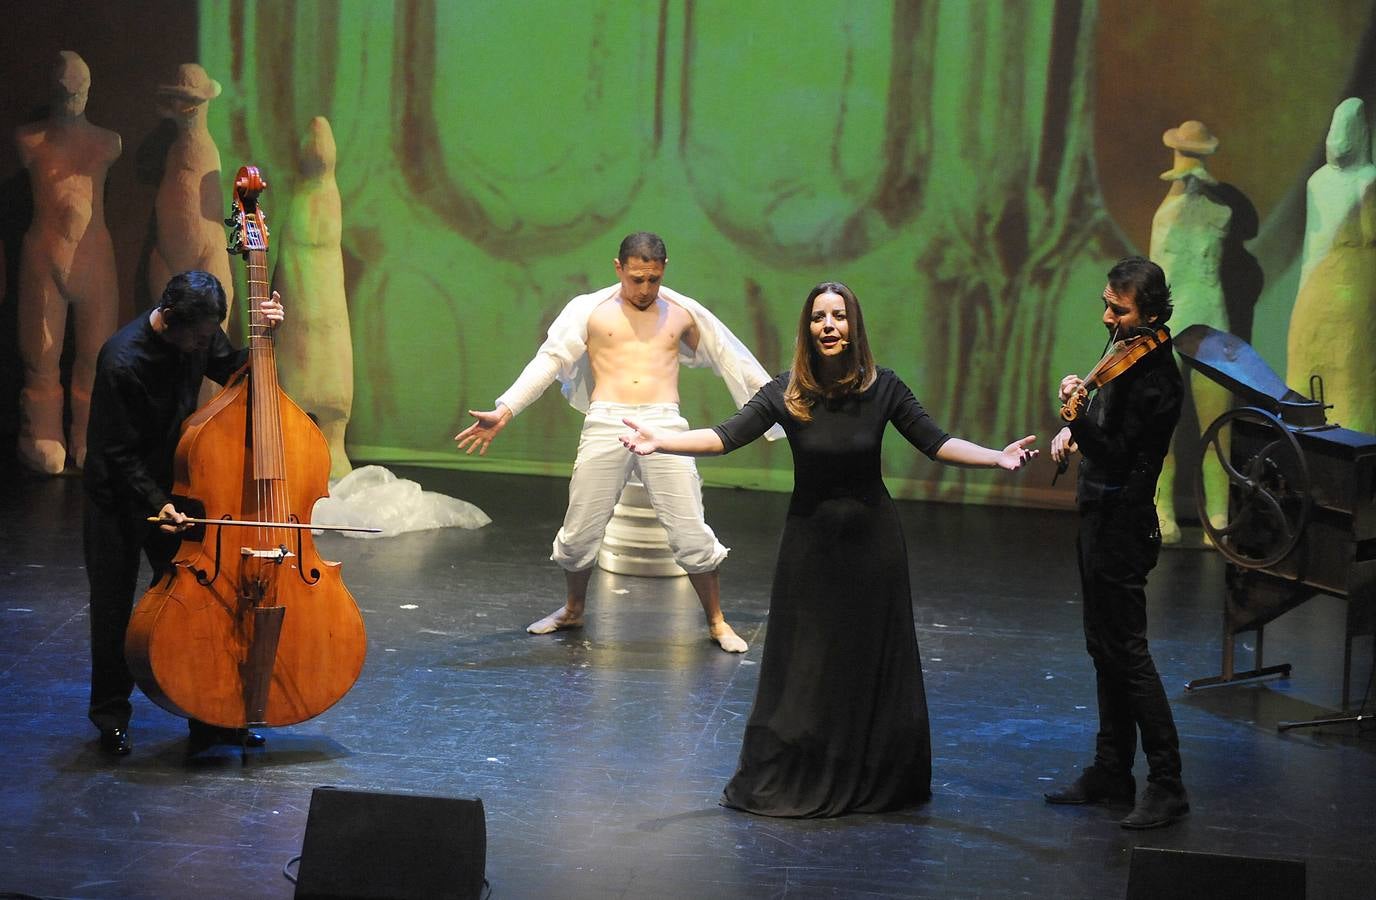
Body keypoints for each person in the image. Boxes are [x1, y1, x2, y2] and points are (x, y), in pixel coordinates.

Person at [619, 281, 1036, 817]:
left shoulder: (884, 387)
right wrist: (662, 441)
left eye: (839, 316)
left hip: (873, 544)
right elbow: (725, 436)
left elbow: (935, 442)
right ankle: (808, 765)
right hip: (810, 545)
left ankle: (872, 770)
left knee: (866, 658)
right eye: (819, 317)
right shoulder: (786, 392)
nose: (830, 325)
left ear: (854, 325)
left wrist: (995, 458)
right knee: (809, 661)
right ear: (808, 328)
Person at [455, 232, 777, 653]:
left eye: (654, 280)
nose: (645, 290)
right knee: (578, 534)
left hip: (663, 423)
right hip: (606, 419)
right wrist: (506, 409)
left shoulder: (681, 314)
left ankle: (716, 620)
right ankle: (573, 609)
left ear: (664, 271)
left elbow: (732, 359)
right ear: (618, 268)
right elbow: (549, 362)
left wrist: (782, 406)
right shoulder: (590, 312)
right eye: (637, 279)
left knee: (691, 532)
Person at [84, 270, 284, 757]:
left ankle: (212, 716)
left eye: (209, 335)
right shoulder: (121, 360)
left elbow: (234, 369)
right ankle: (111, 718)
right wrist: (159, 504)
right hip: (117, 496)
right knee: (112, 611)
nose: (204, 344)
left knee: (203, 600)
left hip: (175, 484)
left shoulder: (200, 332)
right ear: (170, 320)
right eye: (198, 336)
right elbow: (119, 454)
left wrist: (264, 338)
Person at [1044, 256, 1189, 829]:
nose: (1107, 316)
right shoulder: (1124, 353)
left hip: (1124, 526)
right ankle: (1111, 770)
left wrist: (1077, 418)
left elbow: (1113, 451)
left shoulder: (1156, 377)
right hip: (1099, 516)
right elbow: (1100, 428)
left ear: (1149, 314)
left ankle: (1168, 783)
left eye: (1118, 309)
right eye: (1106, 303)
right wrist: (1073, 425)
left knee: (1127, 654)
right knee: (1103, 649)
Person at [14, 50, 122, 473]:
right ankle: (40, 431)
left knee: (96, 353)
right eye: (67, 90)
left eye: (80, 89)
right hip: (43, 256)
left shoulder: (107, 142)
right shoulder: (31, 140)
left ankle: (88, 433)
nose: (74, 96)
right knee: (41, 352)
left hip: (94, 258)